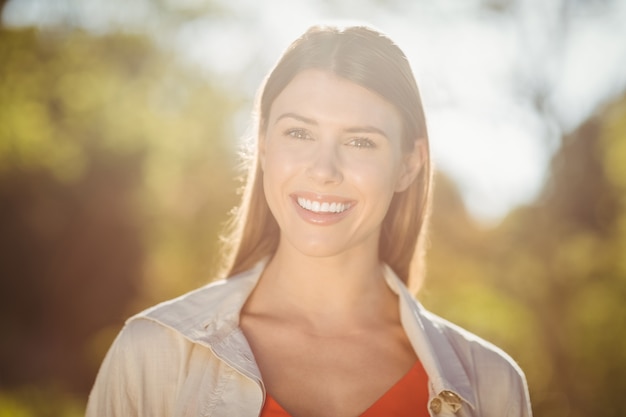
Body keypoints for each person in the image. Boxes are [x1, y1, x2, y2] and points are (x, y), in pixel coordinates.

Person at [86, 24, 532, 417]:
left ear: (409, 165)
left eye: (360, 142)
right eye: (299, 133)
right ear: (263, 144)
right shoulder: (151, 354)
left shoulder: (492, 385)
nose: (323, 170)